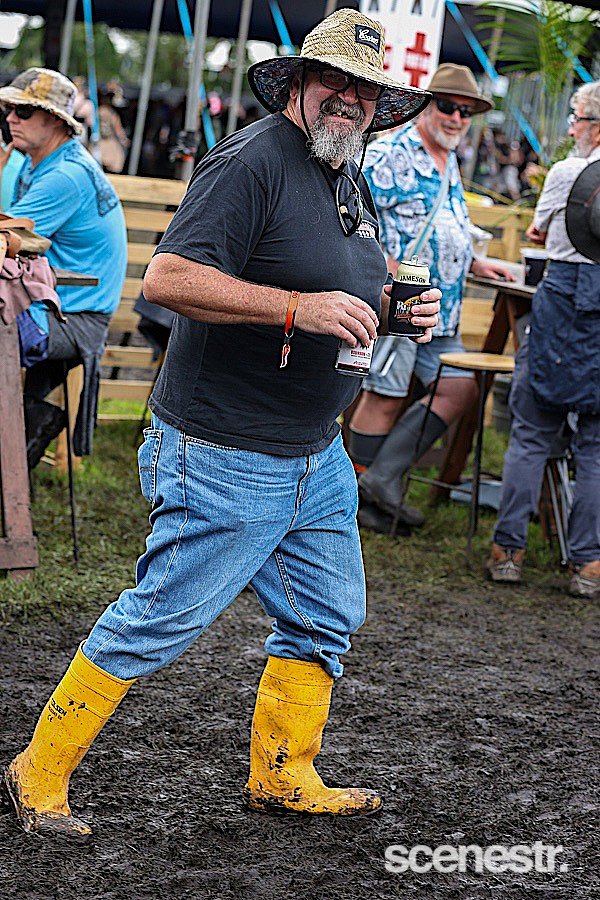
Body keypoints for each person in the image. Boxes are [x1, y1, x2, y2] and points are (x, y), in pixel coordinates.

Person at [3, 10, 441, 838]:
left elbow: (329, 281)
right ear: (299, 82)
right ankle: (39, 768)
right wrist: (296, 308)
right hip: (222, 448)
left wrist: (387, 310)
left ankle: (284, 773)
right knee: (160, 617)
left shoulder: (345, 168)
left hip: (314, 452)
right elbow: (167, 279)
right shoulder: (251, 161)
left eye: (364, 88)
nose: (349, 98)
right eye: (335, 79)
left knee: (325, 614)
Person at [349, 63, 515, 530]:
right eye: (447, 106)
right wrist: (382, 264)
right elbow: (351, 213)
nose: (457, 118)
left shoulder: (450, 159)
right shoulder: (391, 153)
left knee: (461, 386)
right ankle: (355, 498)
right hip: (399, 300)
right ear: (425, 106)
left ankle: (380, 480)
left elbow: (450, 225)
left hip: (444, 312)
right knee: (385, 394)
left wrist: (478, 264)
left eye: (465, 111)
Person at [486, 81, 600, 599]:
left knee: (532, 432)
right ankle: (588, 563)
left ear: (595, 127)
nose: (572, 127)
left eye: (577, 118)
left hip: (561, 293)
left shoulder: (566, 172)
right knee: (595, 446)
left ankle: (508, 551)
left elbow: (538, 232)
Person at [0, 68, 127, 466]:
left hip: (74, 317)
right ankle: (21, 446)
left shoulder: (65, 176)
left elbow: (6, 238)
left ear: (55, 120)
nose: (10, 118)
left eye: (23, 111)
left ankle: (17, 458)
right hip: (55, 303)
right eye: (9, 110)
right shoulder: (39, 162)